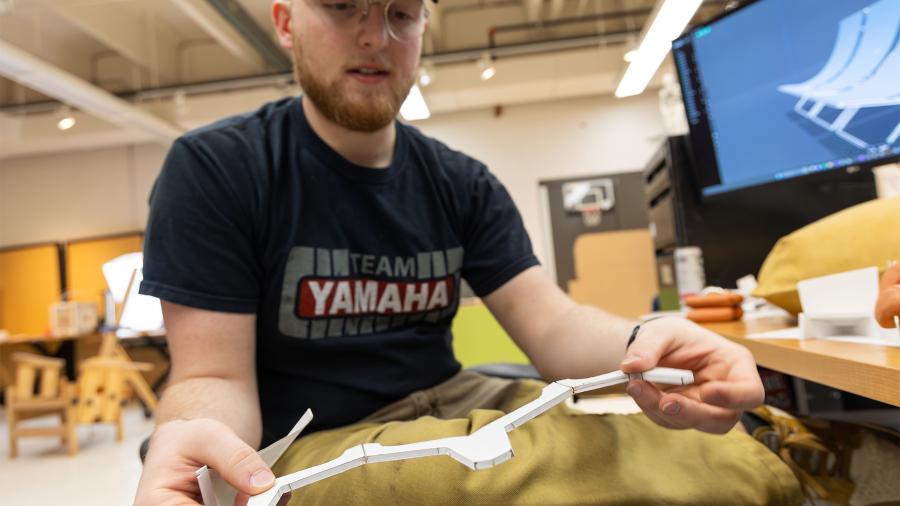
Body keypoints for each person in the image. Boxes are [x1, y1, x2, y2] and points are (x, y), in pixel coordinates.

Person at [133, 0, 802, 504]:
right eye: (341, 6)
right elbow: (213, 377)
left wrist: (650, 339)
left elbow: (553, 325)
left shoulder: (461, 182)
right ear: (285, 21)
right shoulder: (219, 169)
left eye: (400, 13)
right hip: (317, 432)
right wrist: (191, 442)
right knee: (509, 479)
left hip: (453, 398)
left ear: (424, 25)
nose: (375, 35)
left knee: (697, 442)